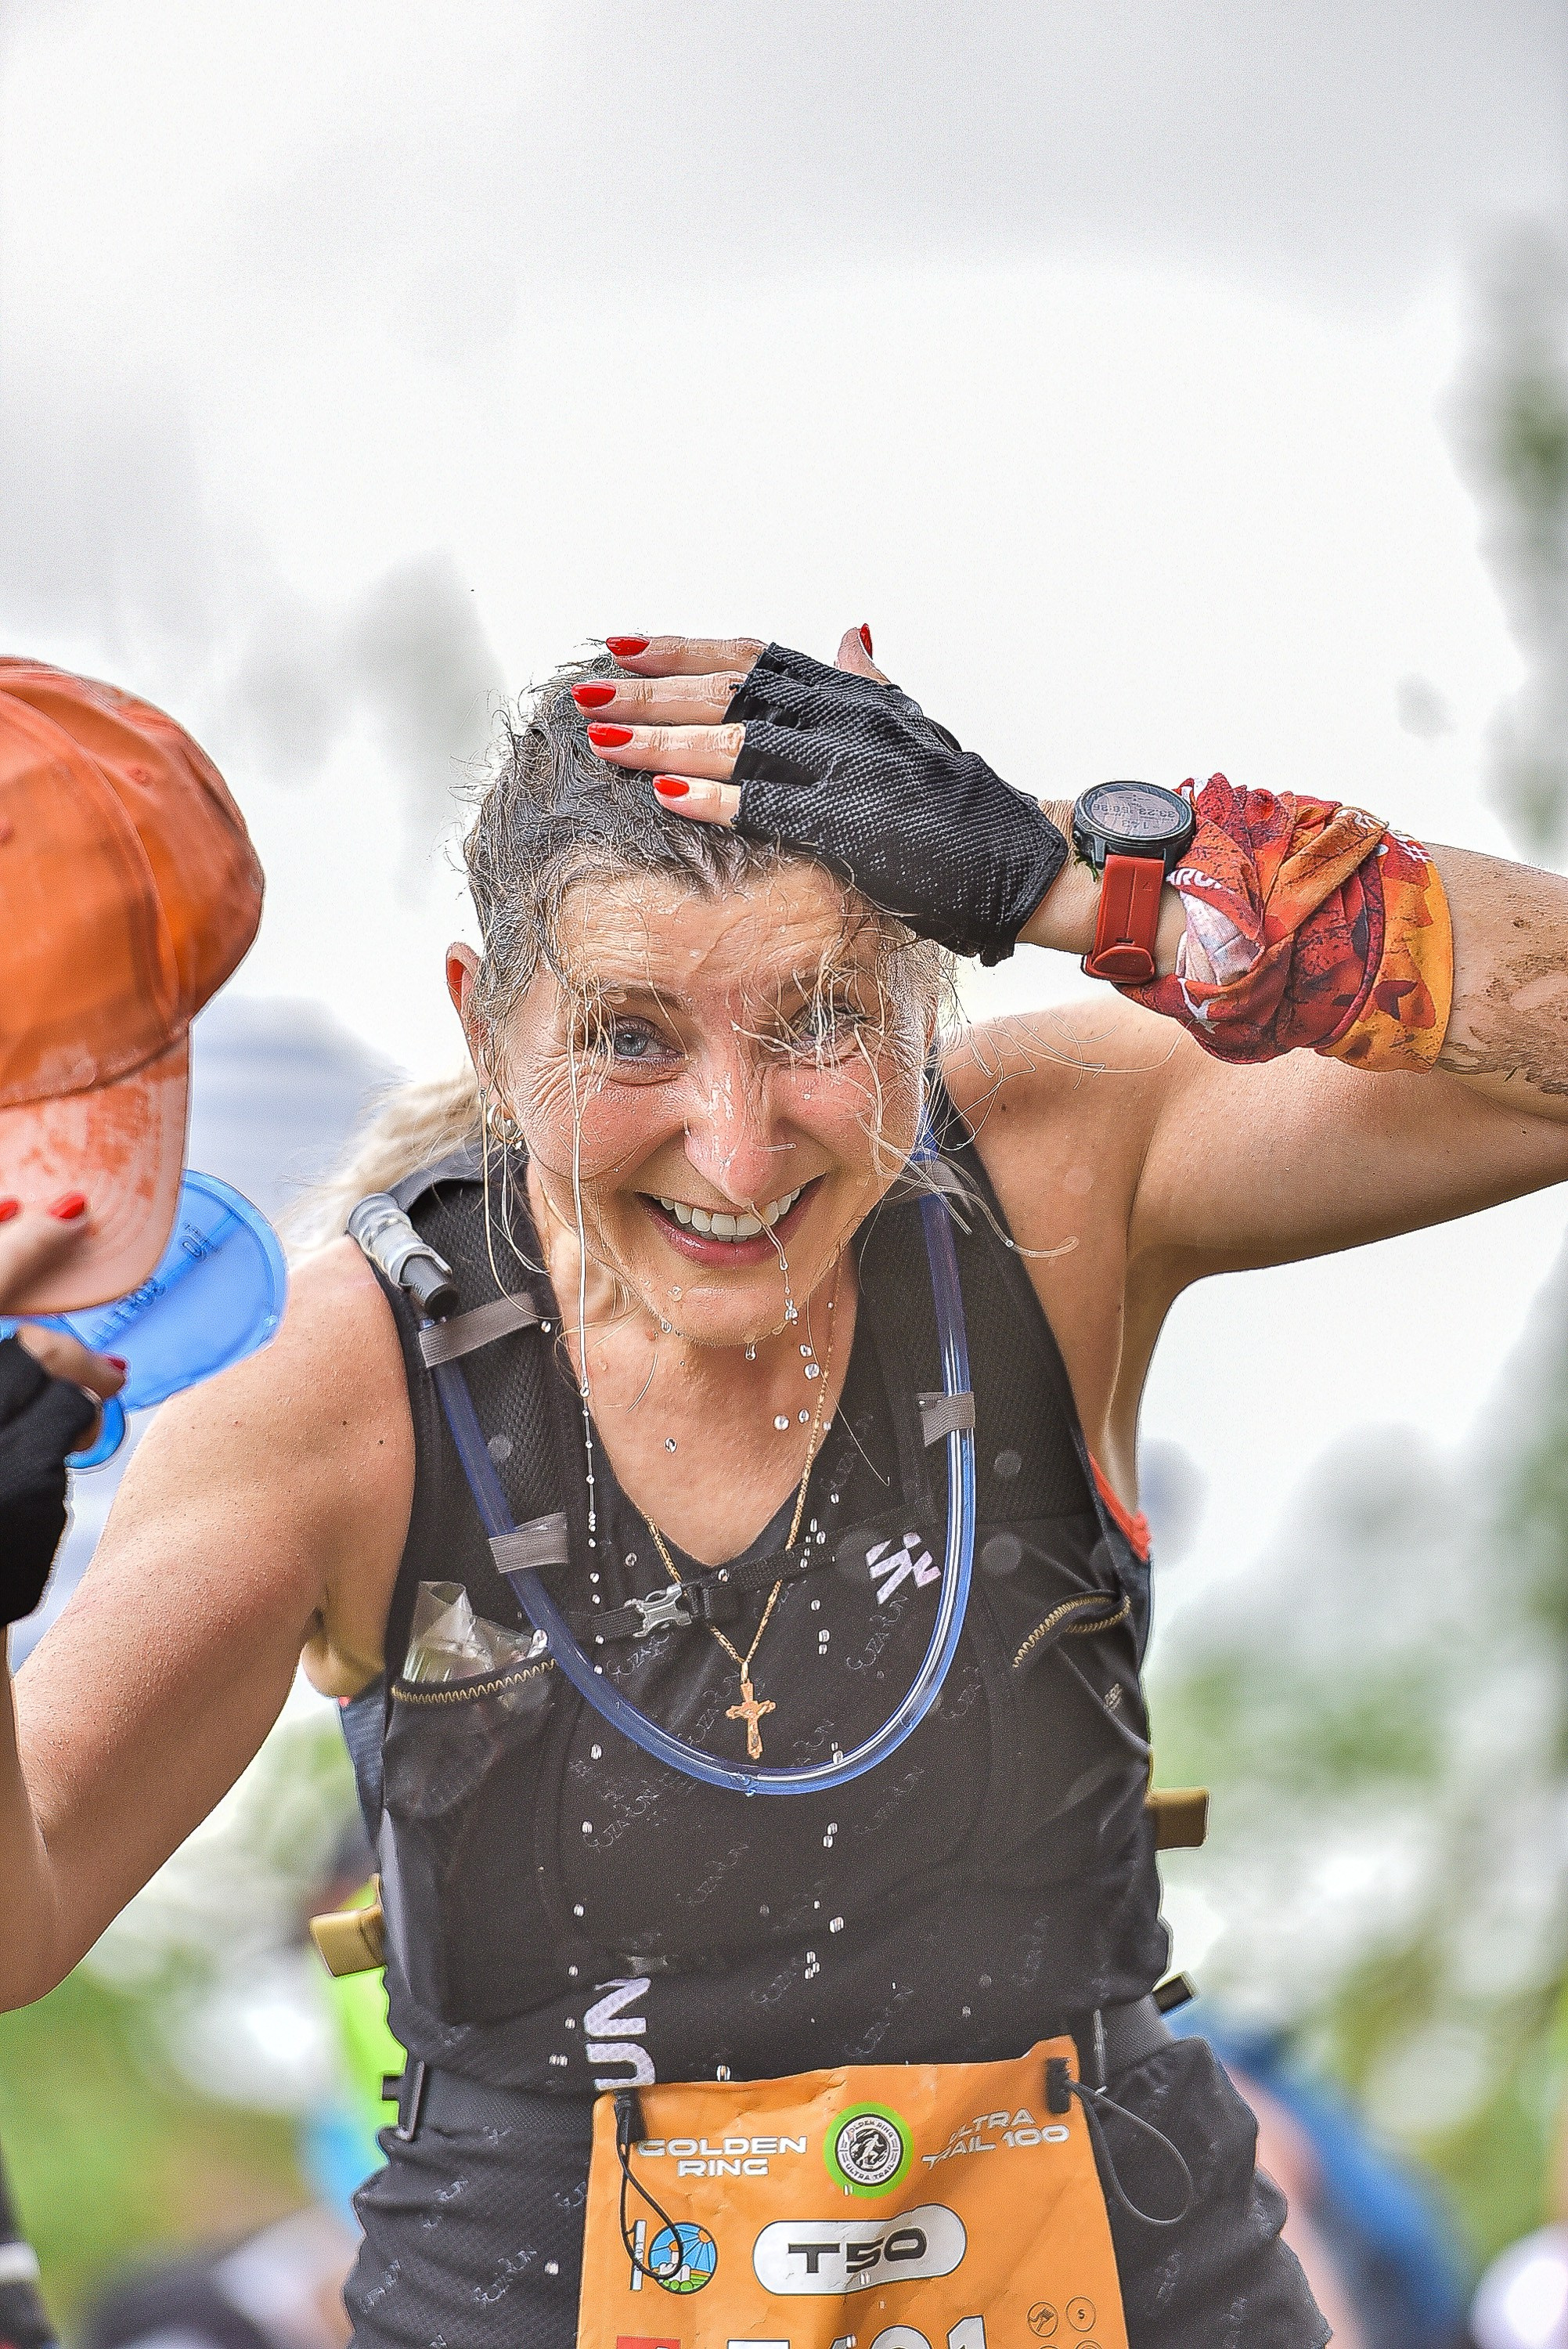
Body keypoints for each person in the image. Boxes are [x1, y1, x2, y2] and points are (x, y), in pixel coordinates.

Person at [7, 624, 1568, 2347]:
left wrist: (1081, 876)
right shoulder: (340, 1396)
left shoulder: (1053, 1182)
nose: (739, 1152)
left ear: (922, 992)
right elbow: (29, 1904)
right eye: (630, 1039)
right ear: (489, 1028)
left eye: (823, 1019)